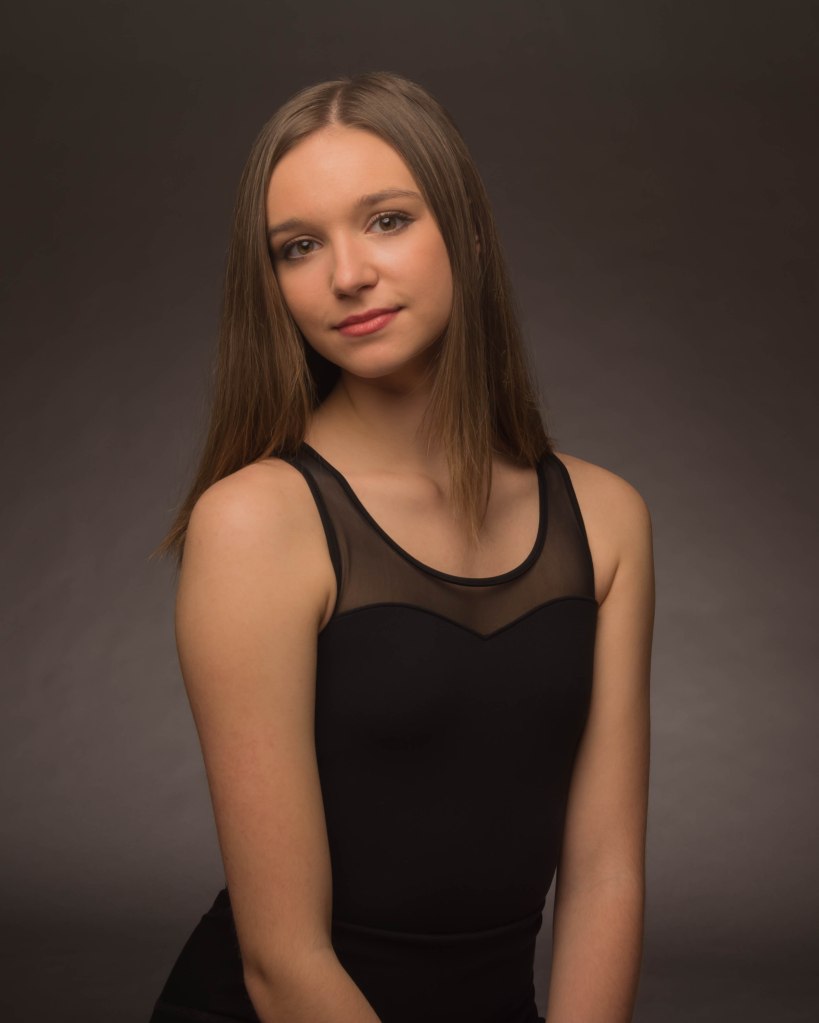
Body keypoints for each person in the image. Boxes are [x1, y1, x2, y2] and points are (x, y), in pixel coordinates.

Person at [147, 69, 655, 1023]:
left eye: (385, 220)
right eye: (299, 246)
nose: (346, 274)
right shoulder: (256, 520)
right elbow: (282, 960)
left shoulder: (606, 518)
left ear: (467, 233)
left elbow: (604, 874)